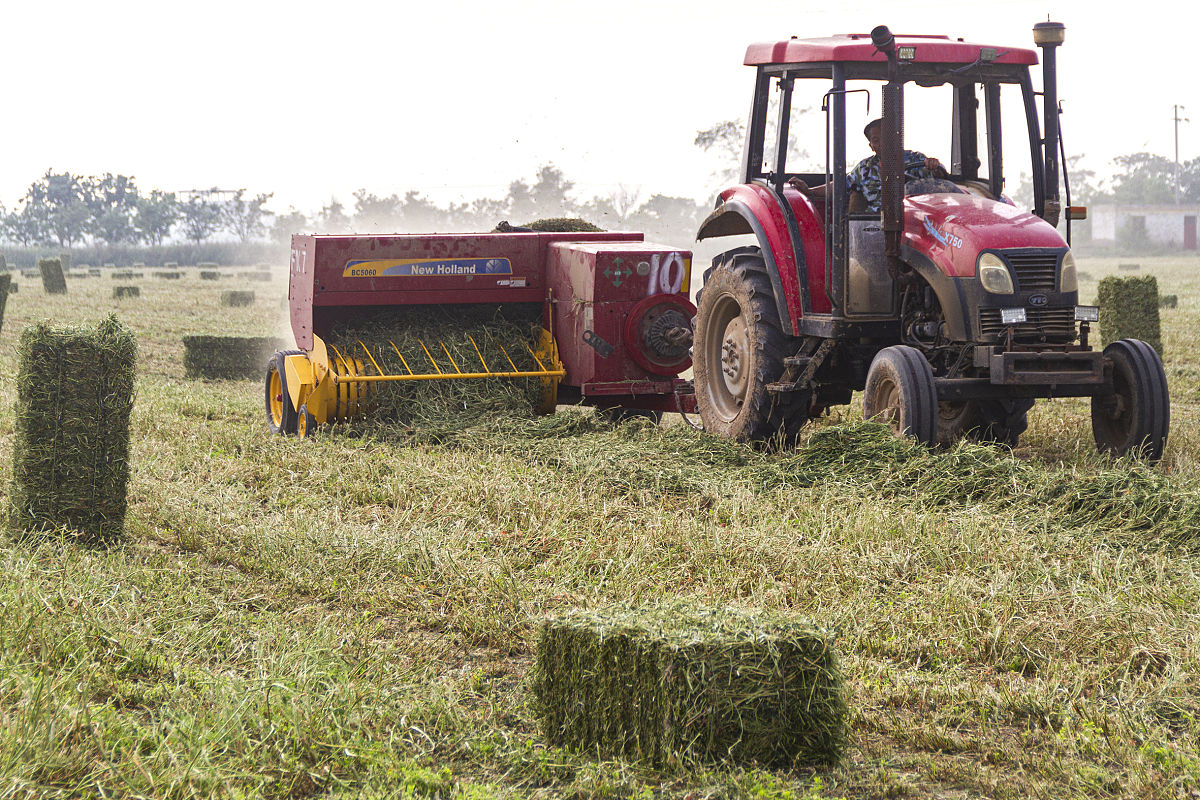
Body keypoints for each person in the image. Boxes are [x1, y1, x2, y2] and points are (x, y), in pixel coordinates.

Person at [788, 119, 947, 212]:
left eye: (886, 137)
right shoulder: (865, 168)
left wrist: (934, 165)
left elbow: (939, 178)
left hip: (912, 226)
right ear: (871, 145)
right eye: (876, 140)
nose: (883, 143)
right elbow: (840, 185)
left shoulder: (916, 160)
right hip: (873, 227)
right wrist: (809, 191)